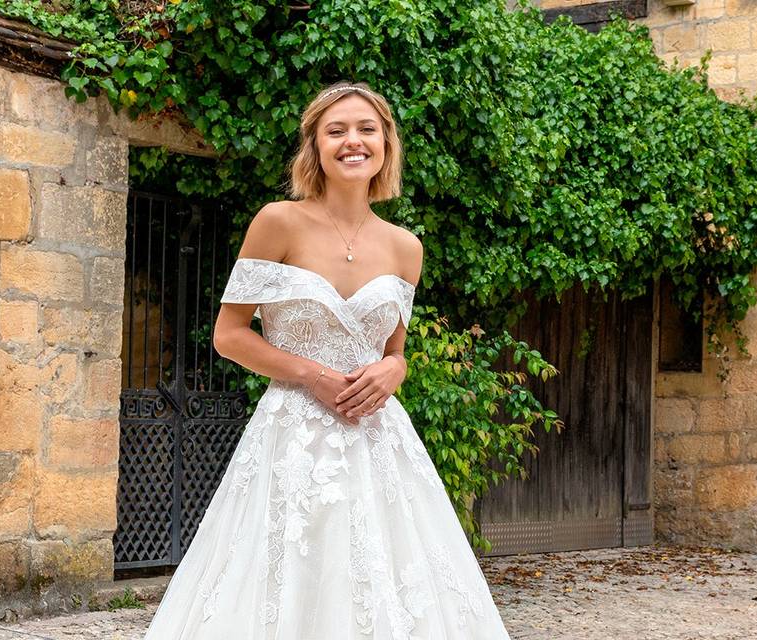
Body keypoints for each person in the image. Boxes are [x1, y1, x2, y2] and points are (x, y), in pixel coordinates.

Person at [142, 81, 511, 639]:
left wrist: (396, 370)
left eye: (367, 129)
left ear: (386, 143)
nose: (352, 141)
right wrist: (311, 376)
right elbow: (229, 335)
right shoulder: (278, 222)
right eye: (335, 130)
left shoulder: (405, 247)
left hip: (377, 438)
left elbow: (394, 351)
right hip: (292, 435)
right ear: (314, 144)